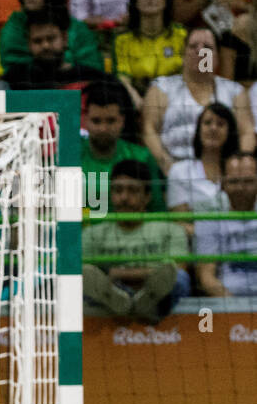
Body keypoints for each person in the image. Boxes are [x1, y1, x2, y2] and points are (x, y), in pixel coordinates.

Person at [83, 160, 190, 322]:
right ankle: (132, 304)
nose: (124, 198)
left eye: (132, 191)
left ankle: (147, 303)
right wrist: (150, 273)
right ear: (110, 195)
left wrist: (114, 274)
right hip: (111, 292)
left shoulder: (170, 230)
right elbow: (86, 273)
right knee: (80, 279)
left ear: (147, 196)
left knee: (181, 279)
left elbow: (176, 270)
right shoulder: (92, 233)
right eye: (118, 190)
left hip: (152, 293)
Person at [142, 26, 255, 176]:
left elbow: (247, 133)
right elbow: (149, 130)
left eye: (207, 47)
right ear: (183, 54)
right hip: (172, 169)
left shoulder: (235, 91)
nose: (200, 52)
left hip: (222, 173)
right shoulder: (161, 88)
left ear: (216, 57)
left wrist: (235, 168)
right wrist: (170, 168)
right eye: (193, 46)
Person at [0, 0, 103, 78]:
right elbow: (14, 69)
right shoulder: (15, 26)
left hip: (74, 90)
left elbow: (93, 68)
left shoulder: (78, 29)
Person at [81, 79, 166, 217]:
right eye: (96, 121)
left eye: (111, 121)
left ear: (122, 120)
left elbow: (157, 213)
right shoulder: (69, 156)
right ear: (85, 119)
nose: (103, 128)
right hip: (81, 236)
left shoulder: (142, 157)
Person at [112, 0, 187, 110]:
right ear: (135, 0)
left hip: (177, 103)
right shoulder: (122, 40)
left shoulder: (183, 35)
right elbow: (123, 79)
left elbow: (200, 73)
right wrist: (138, 101)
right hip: (137, 106)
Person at [1, 9, 113, 92]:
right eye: (37, 41)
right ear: (29, 44)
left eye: (51, 38)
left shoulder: (90, 78)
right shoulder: (15, 79)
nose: (45, 46)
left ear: (65, 39)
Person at [195, 150, 257, 297]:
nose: (241, 188)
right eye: (234, 181)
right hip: (227, 304)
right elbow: (206, 276)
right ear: (222, 183)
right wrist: (234, 307)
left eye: (248, 181)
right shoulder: (209, 217)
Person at [167, 103, 239, 215]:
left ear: (230, 131)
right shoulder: (179, 171)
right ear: (198, 130)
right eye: (207, 123)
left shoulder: (241, 171)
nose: (213, 128)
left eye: (220, 124)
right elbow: (180, 221)